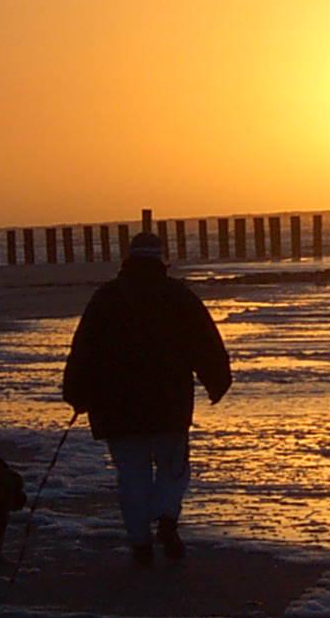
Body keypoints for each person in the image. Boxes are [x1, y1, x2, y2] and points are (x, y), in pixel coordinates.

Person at [60, 229, 231, 564]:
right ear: (161, 258)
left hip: (116, 406)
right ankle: (167, 517)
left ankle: (140, 543)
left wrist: (76, 393)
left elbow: (83, 350)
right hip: (169, 402)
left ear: (129, 257)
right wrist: (217, 381)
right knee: (173, 467)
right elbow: (206, 343)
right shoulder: (179, 296)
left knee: (132, 473)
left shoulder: (106, 298)